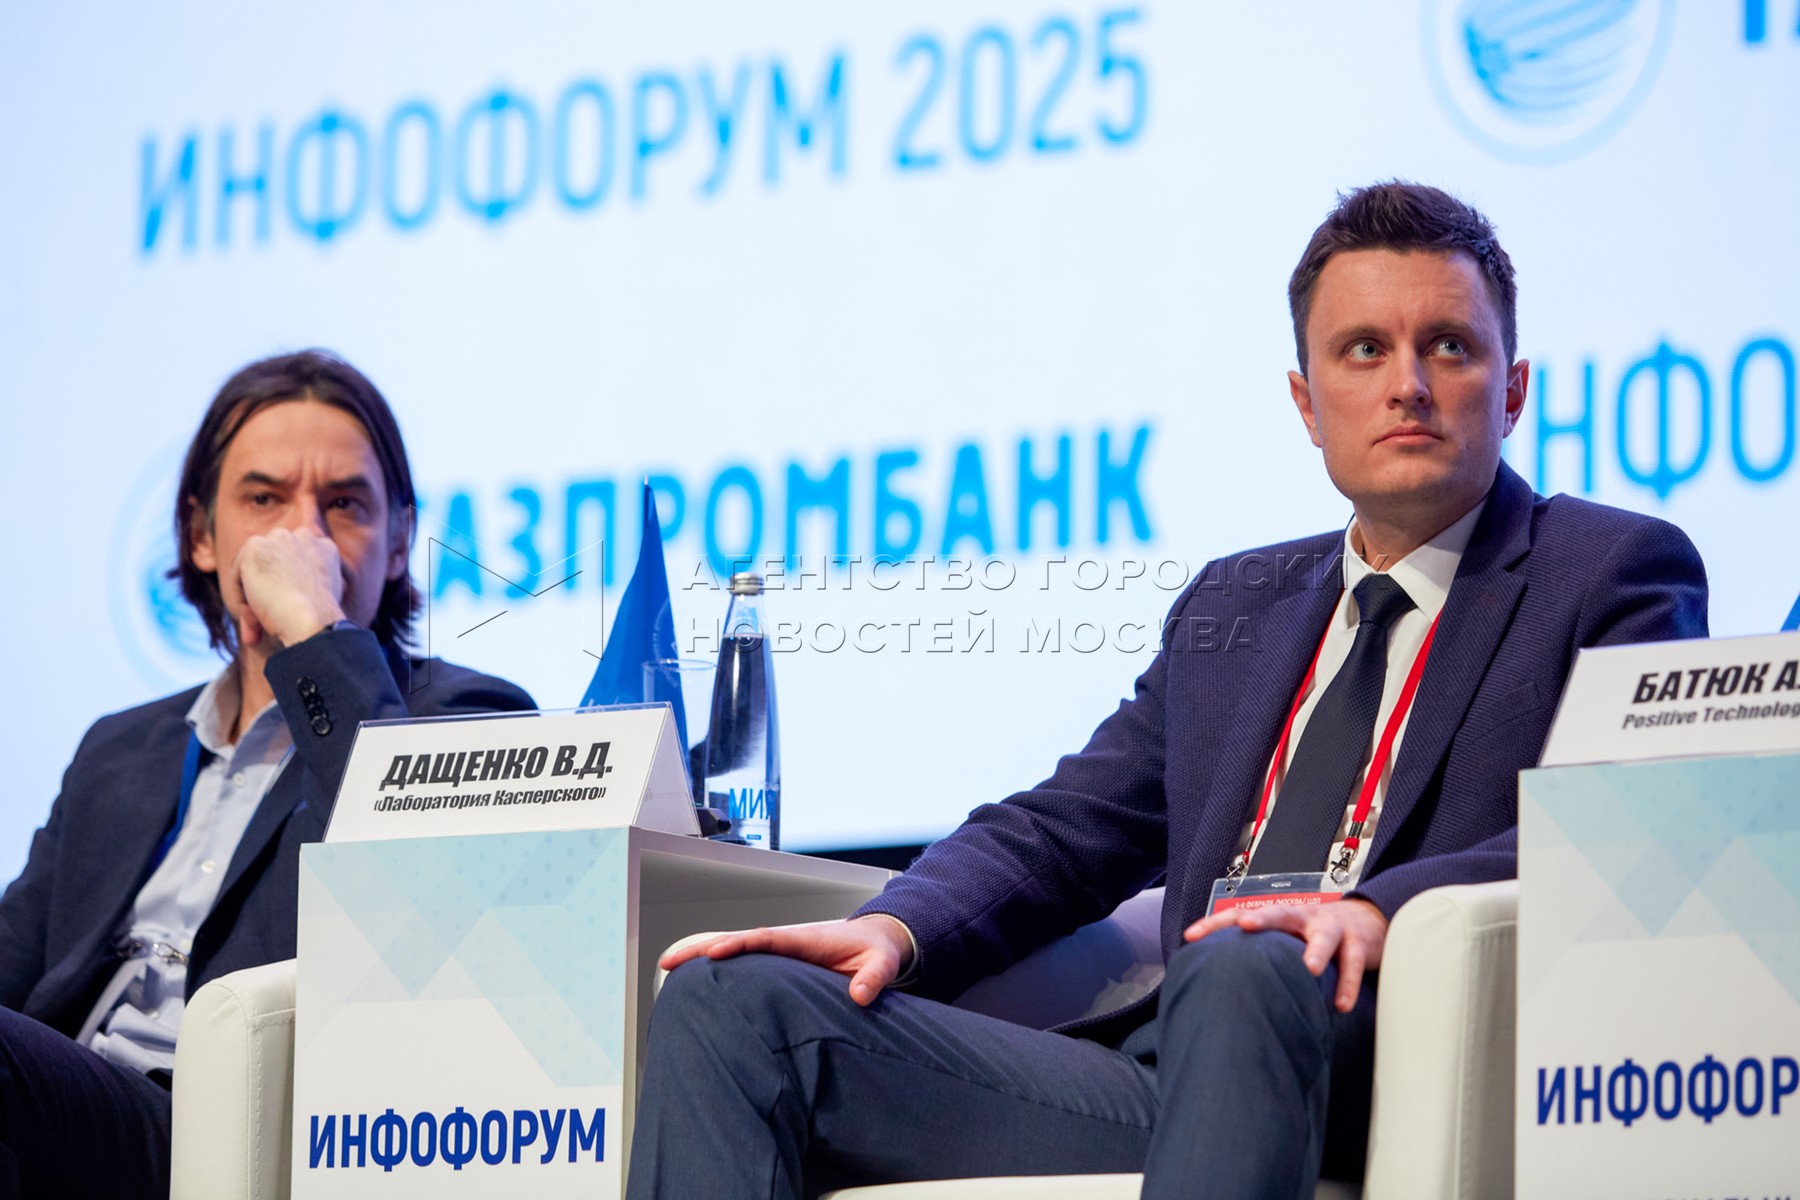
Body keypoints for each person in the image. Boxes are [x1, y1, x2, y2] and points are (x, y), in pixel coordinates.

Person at [629, 183, 1711, 1200]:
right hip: (1177, 1062)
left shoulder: (1606, 571)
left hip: (1381, 1049)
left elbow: (1620, 819)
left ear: (1512, 390)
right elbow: (1063, 827)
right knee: (734, 1004)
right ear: (1307, 403)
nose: (1408, 385)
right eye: (1364, 350)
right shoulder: (1235, 605)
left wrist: (1379, 912)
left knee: (1244, 959)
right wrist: (895, 926)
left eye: (1450, 346)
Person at [0, 351, 535, 1198]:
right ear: (201, 537)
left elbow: (422, 897)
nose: (302, 537)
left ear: (399, 541)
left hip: (237, 1126)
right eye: (263, 500)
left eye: (345, 505)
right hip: (60, 1105)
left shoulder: (459, 717)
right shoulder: (119, 748)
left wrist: (314, 625)